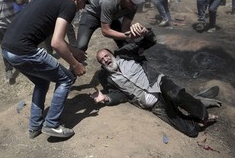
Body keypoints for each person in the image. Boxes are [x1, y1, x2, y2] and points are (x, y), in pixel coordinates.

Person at [1, 0, 92, 139]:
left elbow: (52, 37)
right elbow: (57, 43)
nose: (84, 6)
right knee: (66, 79)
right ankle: (52, 124)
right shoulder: (69, 4)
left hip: (8, 51)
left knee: (42, 82)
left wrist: (74, 51)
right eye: (85, 0)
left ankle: (35, 126)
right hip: (24, 50)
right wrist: (75, 64)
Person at [92, 31, 222, 137]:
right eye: (102, 60)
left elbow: (150, 41)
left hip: (159, 84)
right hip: (153, 104)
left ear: (111, 54)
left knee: (175, 95)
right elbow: (119, 94)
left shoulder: (125, 54)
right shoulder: (106, 77)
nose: (106, 60)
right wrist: (106, 98)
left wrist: (146, 32)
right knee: (192, 131)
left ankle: (203, 115)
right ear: (101, 64)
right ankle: (197, 101)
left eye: (106, 55)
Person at [76, 0, 146, 52]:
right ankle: (75, 61)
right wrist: (128, 36)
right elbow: (105, 31)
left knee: (127, 45)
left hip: (111, 17)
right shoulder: (109, 1)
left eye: (136, 1)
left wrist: (132, 42)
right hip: (92, 14)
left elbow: (125, 27)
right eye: (133, 1)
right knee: (81, 46)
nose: (135, 5)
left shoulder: (134, 5)